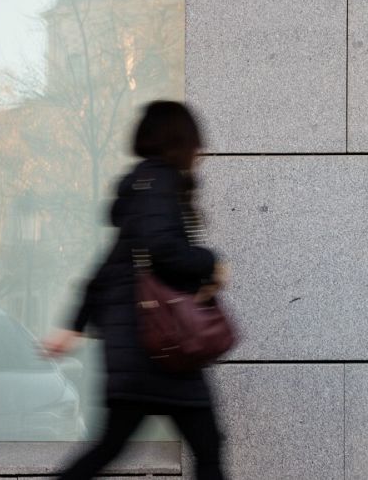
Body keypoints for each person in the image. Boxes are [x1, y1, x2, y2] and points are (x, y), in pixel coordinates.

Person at [42, 101, 230, 480]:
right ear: (180, 139)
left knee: (114, 445)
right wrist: (209, 262)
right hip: (159, 347)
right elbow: (163, 249)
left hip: (138, 350)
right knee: (206, 446)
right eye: (196, 140)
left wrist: (73, 326)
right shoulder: (159, 183)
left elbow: (106, 271)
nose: (201, 151)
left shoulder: (143, 188)